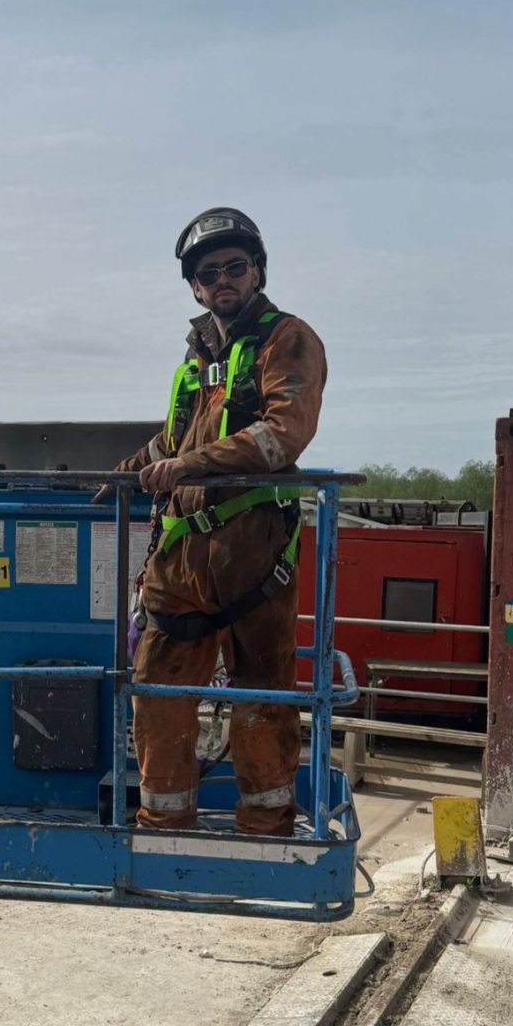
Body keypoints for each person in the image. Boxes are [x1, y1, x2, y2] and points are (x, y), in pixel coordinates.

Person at [109, 208, 327, 834]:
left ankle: (266, 827)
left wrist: (190, 466)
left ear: (257, 271)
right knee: (156, 694)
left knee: (262, 700)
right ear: (196, 288)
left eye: (236, 267)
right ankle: (162, 823)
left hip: (252, 554)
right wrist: (124, 472)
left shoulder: (287, 339)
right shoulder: (196, 357)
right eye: (210, 273)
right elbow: (173, 439)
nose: (224, 279)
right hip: (180, 560)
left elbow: (284, 436)